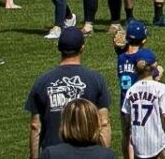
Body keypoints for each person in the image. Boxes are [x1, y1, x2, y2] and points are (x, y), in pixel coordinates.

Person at [23, 26, 111, 156]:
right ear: (82, 48)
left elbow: (36, 126)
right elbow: (104, 123)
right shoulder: (96, 80)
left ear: (59, 48)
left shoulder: (43, 81)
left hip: (53, 154)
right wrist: (104, 153)